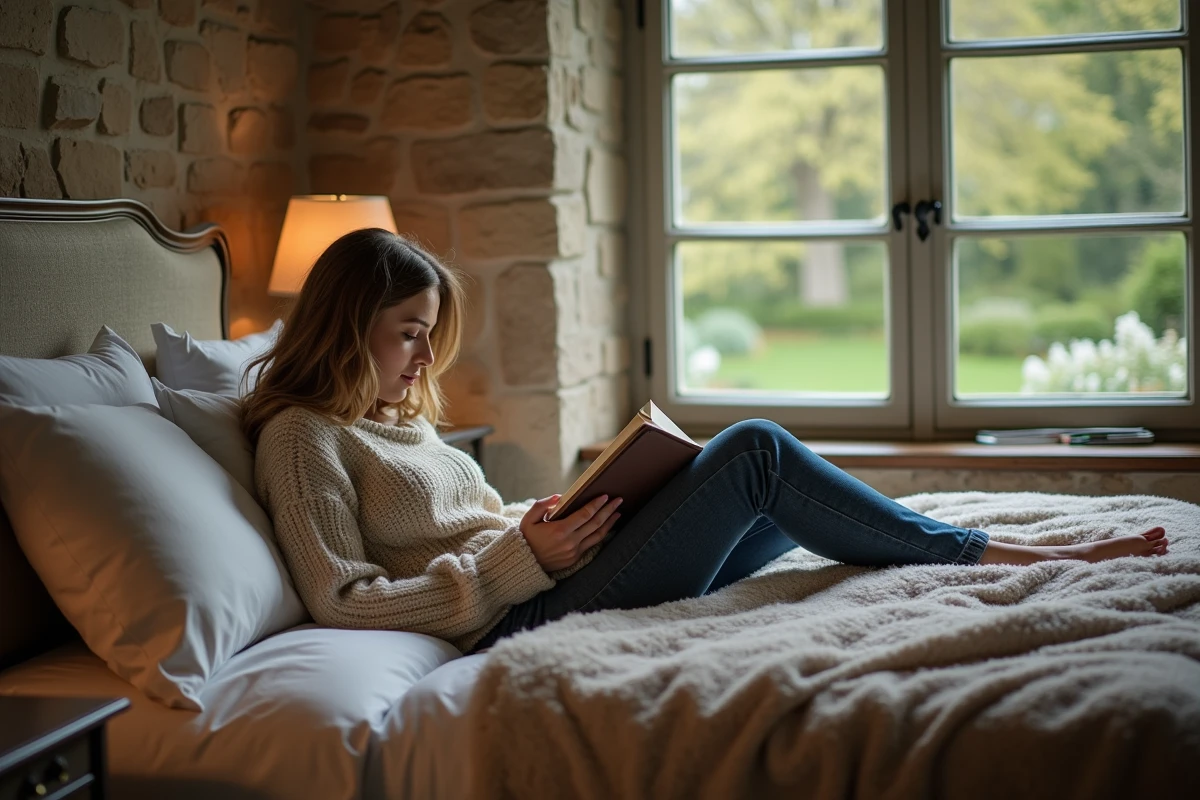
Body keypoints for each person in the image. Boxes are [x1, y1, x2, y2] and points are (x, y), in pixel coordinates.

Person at [241, 229, 1170, 655]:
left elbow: (473, 522)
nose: (421, 357)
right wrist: (513, 565)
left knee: (776, 492)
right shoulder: (301, 438)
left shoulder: (391, 423)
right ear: (346, 320)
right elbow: (345, 602)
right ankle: (991, 551)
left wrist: (544, 519)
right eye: (408, 330)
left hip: (548, 567)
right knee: (758, 452)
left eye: (426, 333)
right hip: (517, 614)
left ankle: (936, 540)